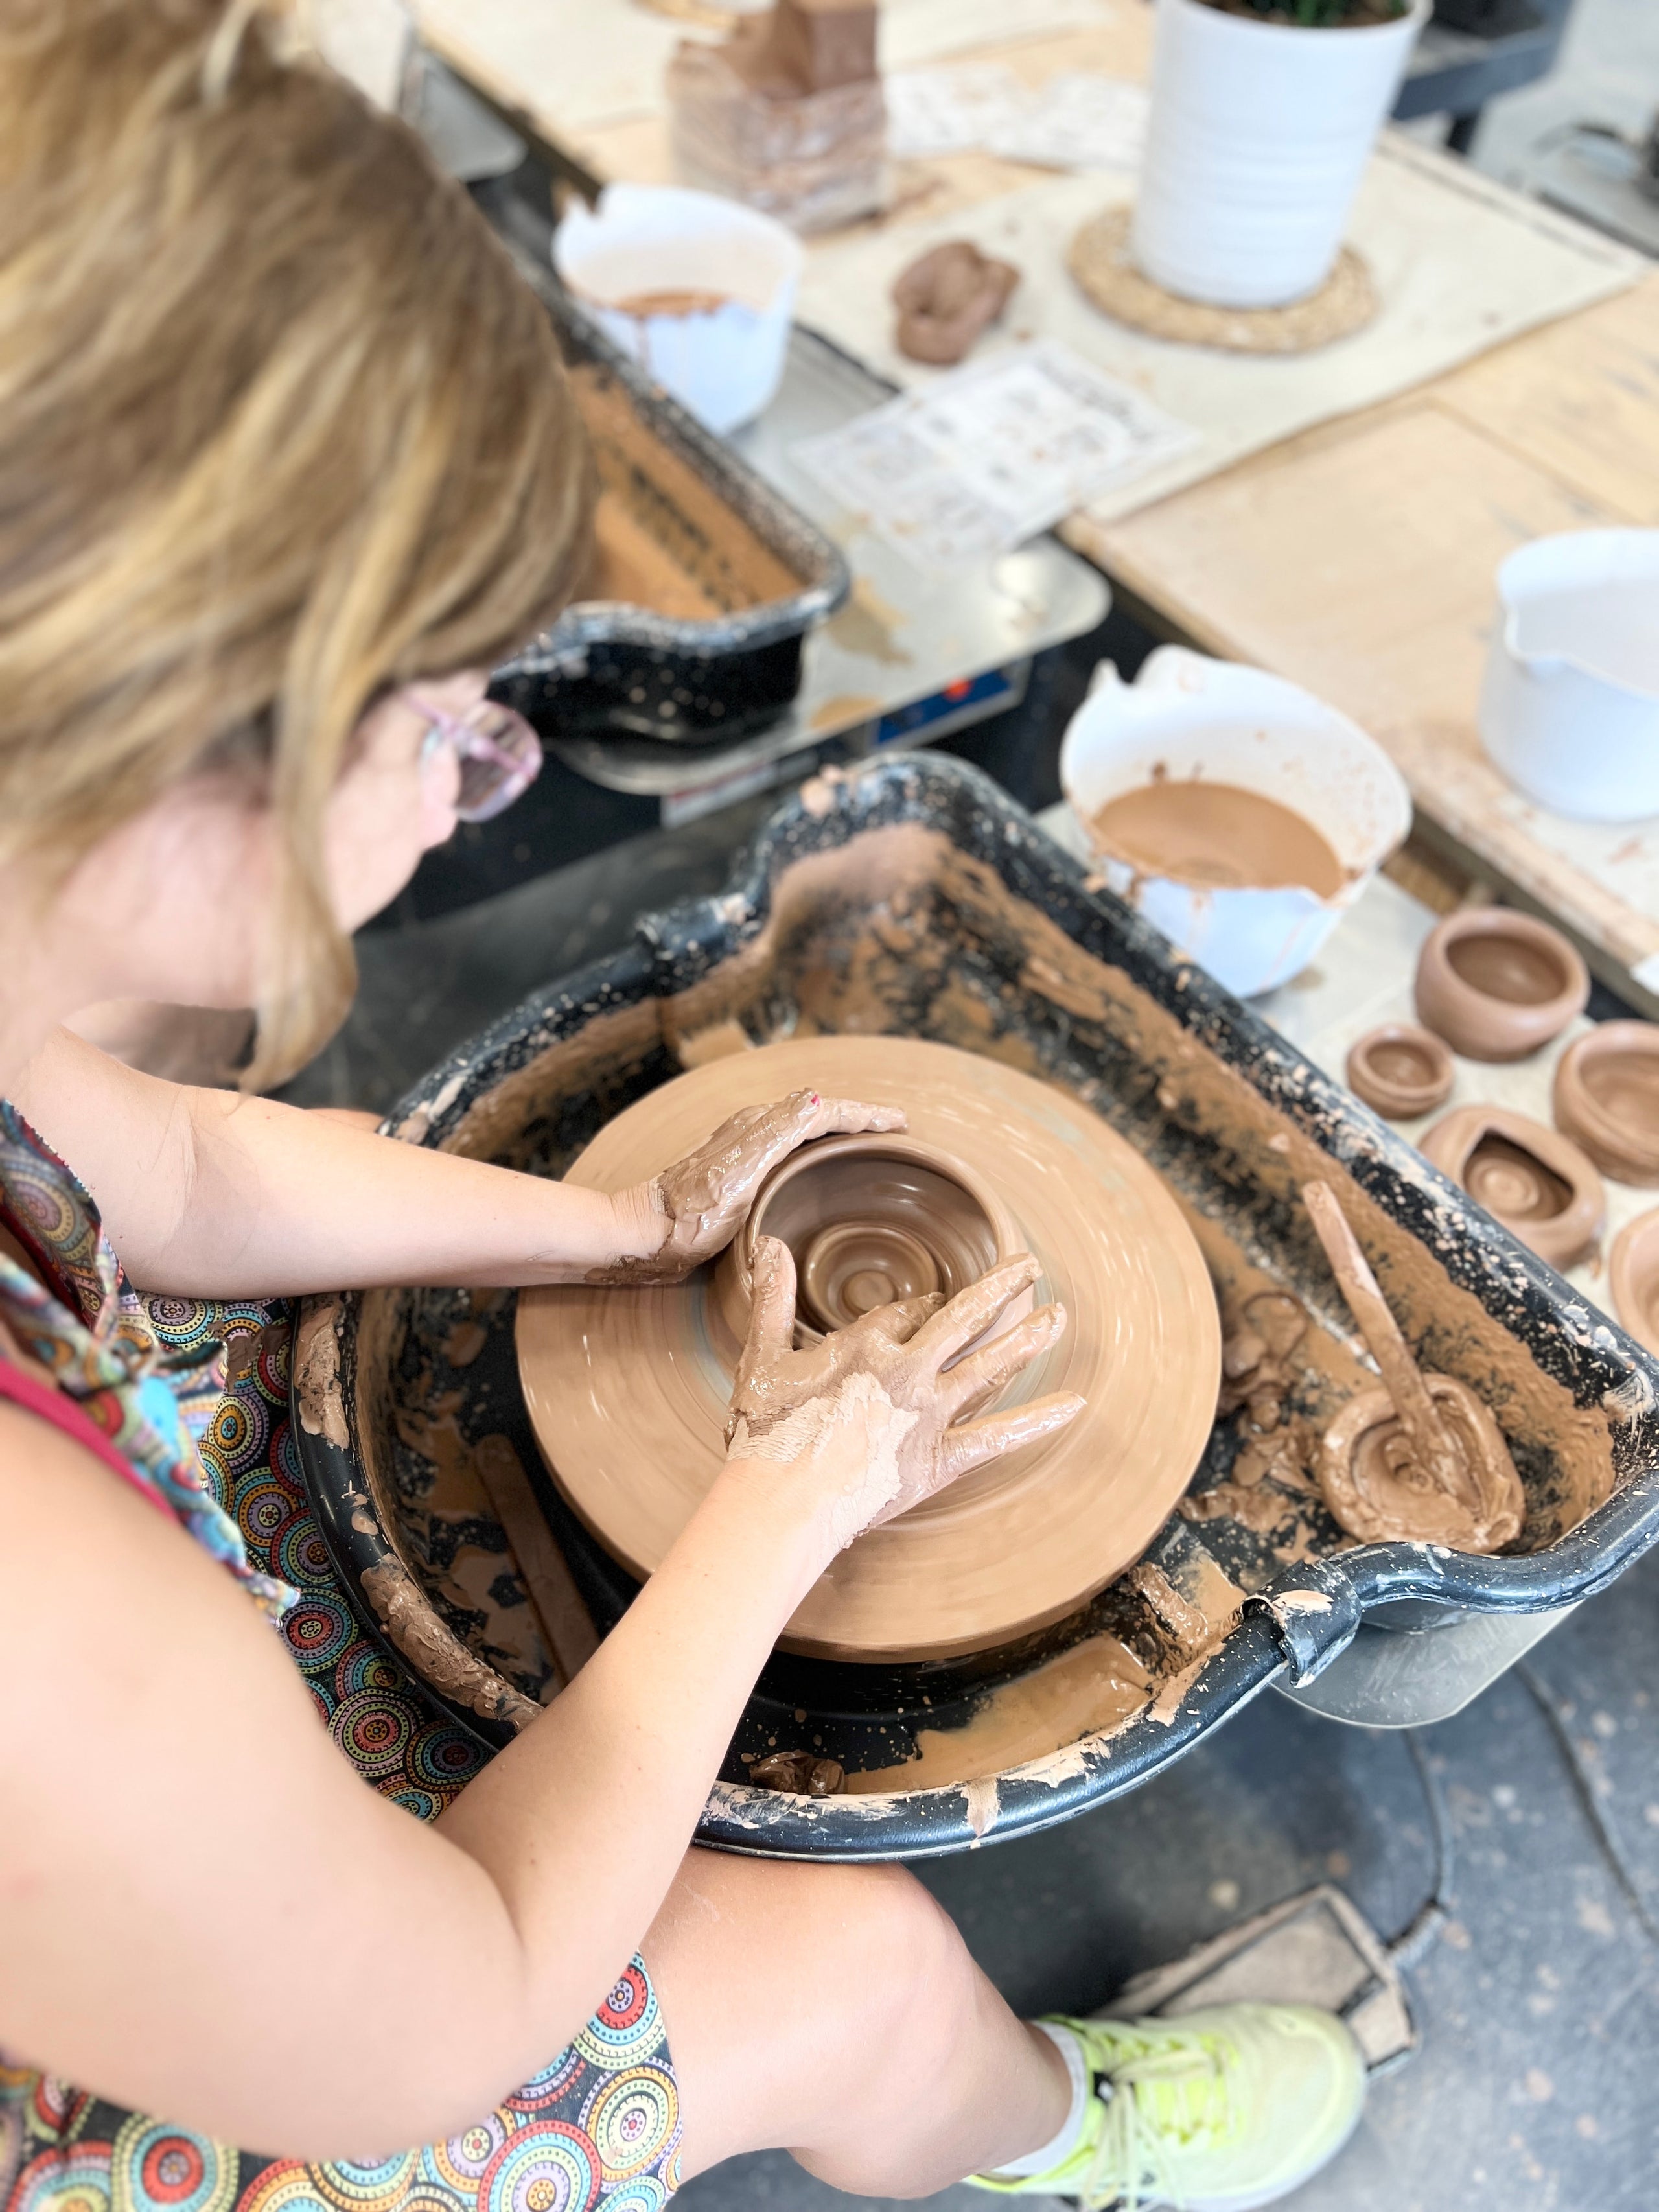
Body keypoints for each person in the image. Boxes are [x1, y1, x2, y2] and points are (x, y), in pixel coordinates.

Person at [0, 5, 1367, 2208]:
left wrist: (619, 1231)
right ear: (176, 749)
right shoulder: (37, 1633)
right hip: (200, 2093)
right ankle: (1058, 2146)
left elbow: (147, 1159)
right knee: (857, 1968)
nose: (477, 780)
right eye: (459, 722)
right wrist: (786, 1495)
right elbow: (441, 2013)